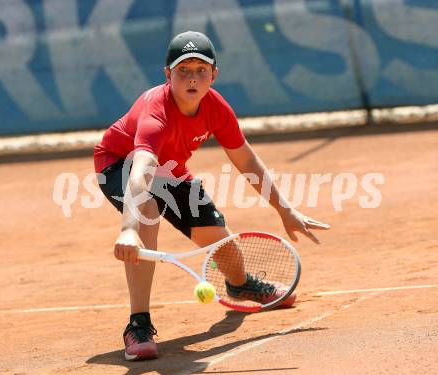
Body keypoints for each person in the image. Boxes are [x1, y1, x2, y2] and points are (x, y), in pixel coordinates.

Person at [94, 31, 330, 361]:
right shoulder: (155, 111)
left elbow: (246, 160)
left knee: (219, 240)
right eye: (183, 71)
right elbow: (142, 170)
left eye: (201, 71)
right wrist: (129, 228)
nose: (192, 78)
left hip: (172, 170)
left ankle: (240, 285)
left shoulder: (216, 108)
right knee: (147, 211)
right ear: (168, 75)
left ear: (213, 75)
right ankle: (138, 324)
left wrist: (285, 210)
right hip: (121, 163)